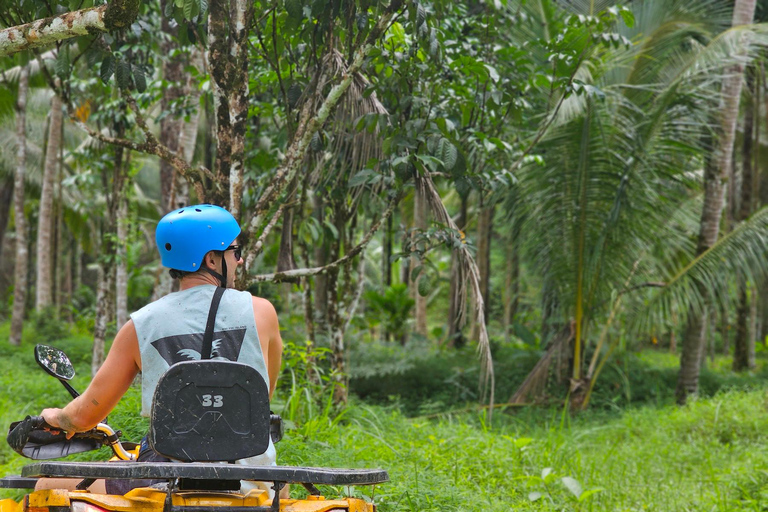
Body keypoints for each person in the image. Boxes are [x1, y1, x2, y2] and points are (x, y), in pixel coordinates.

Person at [38, 204, 284, 497]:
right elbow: (259, 399)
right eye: (236, 251)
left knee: (46, 485)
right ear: (212, 259)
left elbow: (83, 418)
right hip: (253, 479)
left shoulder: (140, 326)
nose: (240, 261)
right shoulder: (263, 313)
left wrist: (56, 416)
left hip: (168, 481)